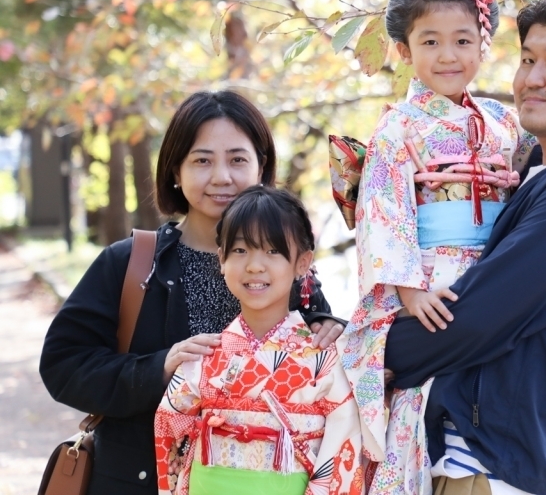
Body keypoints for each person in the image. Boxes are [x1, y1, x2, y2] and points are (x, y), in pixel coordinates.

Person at [337, 0, 546, 495]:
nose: (448, 55)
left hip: (484, 278)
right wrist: (407, 287)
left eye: (463, 40)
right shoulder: (398, 126)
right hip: (427, 274)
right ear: (404, 50)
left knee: (437, 364)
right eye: (430, 41)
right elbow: (384, 208)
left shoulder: (507, 127)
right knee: (414, 409)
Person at [40, 91, 344, 494]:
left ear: (261, 167)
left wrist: (330, 327)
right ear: (176, 171)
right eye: (202, 161)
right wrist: (159, 368)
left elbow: (317, 373)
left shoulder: (287, 269)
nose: (222, 177)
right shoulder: (131, 262)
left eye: (237, 160)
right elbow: (63, 365)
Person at [155, 186, 364, 494]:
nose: (254, 265)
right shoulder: (204, 355)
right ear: (222, 259)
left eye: (272, 251)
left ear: (302, 263)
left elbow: (343, 441)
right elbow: (168, 426)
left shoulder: (324, 358)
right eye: (240, 250)